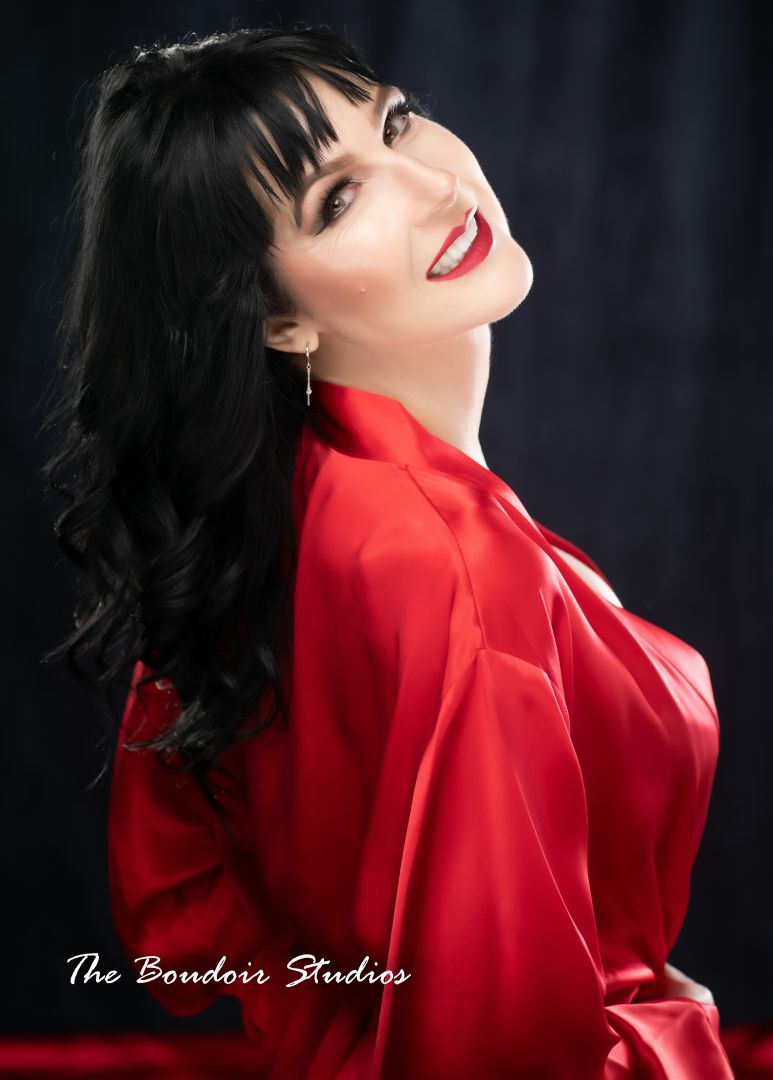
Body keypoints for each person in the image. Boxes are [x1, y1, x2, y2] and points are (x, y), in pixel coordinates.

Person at [43, 23, 735, 1079]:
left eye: (397, 123)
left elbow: (189, 910)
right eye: (337, 200)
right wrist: (647, 1035)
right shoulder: (458, 571)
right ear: (274, 319)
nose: (434, 183)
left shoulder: (272, 506)